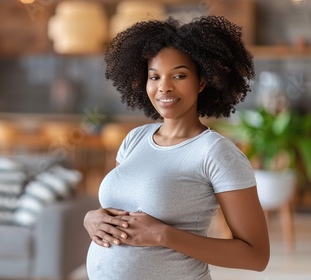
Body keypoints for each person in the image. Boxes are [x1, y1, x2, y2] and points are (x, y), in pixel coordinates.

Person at [84, 15, 270, 280]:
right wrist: (91, 218)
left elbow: (256, 256)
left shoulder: (216, 153)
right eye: (154, 76)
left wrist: (163, 235)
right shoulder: (134, 139)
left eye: (179, 75)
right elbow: (122, 205)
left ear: (202, 82)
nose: (164, 87)